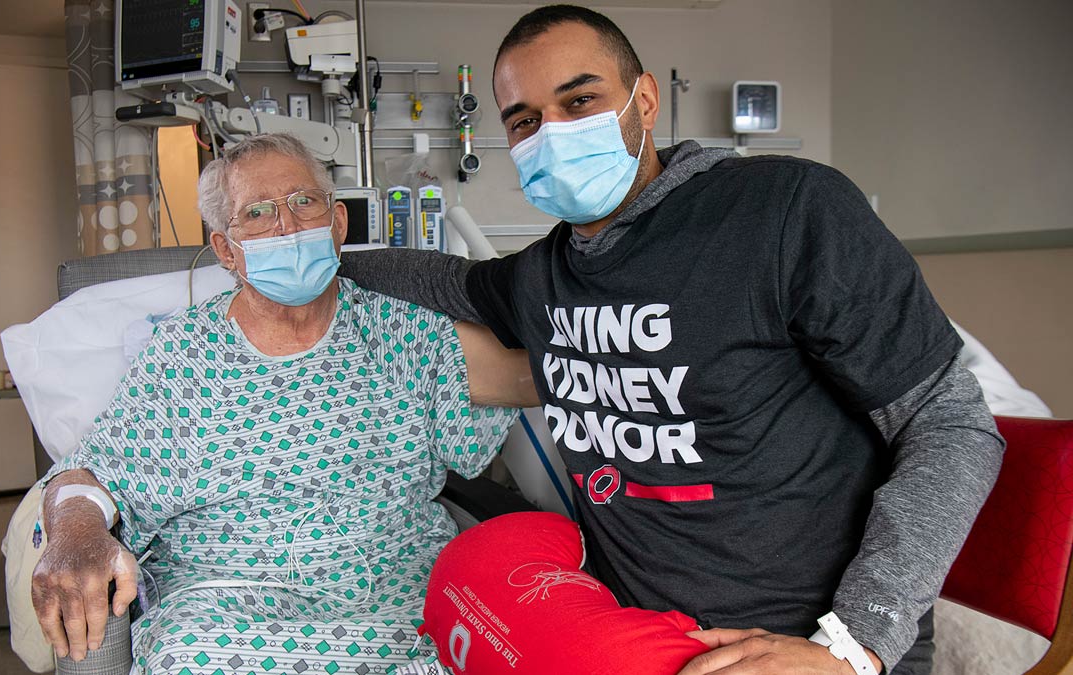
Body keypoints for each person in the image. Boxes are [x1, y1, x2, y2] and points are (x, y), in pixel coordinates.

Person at [340, 5, 1004, 674]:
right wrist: (320, 252)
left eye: (581, 100)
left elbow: (949, 420)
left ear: (645, 100)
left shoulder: (784, 212)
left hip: (802, 641)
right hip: (636, 633)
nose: (554, 134)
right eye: (525, 120)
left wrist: (852, 646)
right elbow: (444, 279)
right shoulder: (543, 277)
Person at [28, 133, 536, 674]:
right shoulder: (185, 354)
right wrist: (77, 529)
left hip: (397, 594)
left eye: (303, 202)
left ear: (338, 224)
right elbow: (93, 476)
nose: (287, 226)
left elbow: (539, 376)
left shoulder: (401, 331)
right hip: (226, 608)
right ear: (226, 250)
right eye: (257, 214)